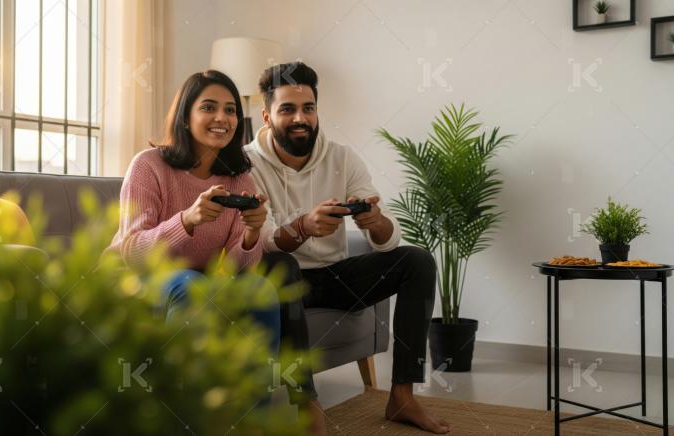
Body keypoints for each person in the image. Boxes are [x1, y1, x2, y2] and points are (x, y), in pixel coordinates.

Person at [244, 62, 449, 435]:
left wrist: (375, 222)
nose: (300, 118)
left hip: (336, 276)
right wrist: (304, 226)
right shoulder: (248, 163)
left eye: (308, 108)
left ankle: (402, 396)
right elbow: (262, 242)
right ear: (267, 115)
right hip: (283, 284)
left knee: (417, 261)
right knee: (279, 263)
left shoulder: (342, 158)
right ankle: (307, 404)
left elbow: (387, 240)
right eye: (287, 109)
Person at [106, 69, 281, 367]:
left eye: (230, 110)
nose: (222, 118)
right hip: (132, 277)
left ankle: (253, 411)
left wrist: (252, 233)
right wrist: (187, 220)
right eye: (208, 107)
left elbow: (237, 270)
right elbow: (132, 251)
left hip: (198, 279)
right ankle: (183, 408)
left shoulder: (240, 180)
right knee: (190, 285)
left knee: (260, 290)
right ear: (185, 117)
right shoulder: (148, 166)